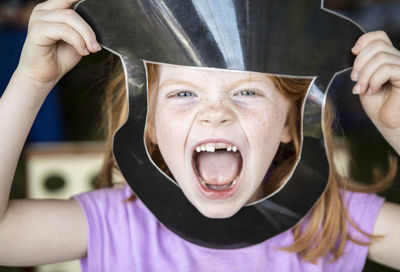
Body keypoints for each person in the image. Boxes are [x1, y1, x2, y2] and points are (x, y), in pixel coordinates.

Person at [0, 0, 399, 271]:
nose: (215, 113)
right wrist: (32, 81)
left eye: (246, 92)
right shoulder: (114, 225)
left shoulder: (332, 227)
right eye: (184, 93)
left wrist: (396, 125)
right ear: (149, 126)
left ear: (289, 126)